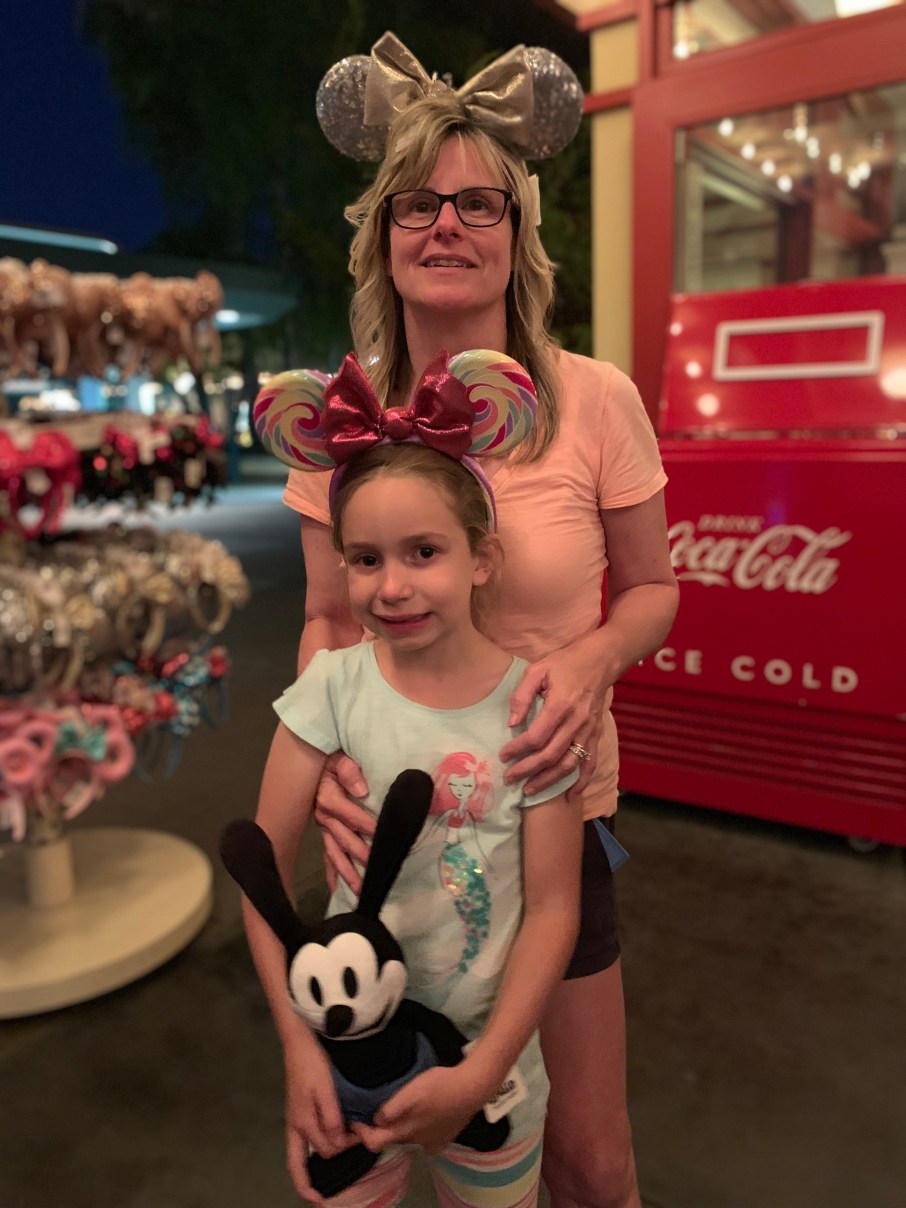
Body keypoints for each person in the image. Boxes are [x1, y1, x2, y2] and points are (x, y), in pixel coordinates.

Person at [285, 35, 680, 1208]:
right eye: (417, 202)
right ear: (382, 235)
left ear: (518, 231)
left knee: (591, 1159)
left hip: (557, 813)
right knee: (387, 1134)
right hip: (395, 832)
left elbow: (653, 590)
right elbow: (324, 618)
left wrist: (596, 656)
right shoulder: (343, 419)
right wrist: (323, 767)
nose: (446, 224)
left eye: (477, 202)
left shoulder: (595, 399)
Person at [246, 355, 584, 1206]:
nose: (392, 586)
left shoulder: (536, 711)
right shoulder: (329, 690)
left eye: (423, 552)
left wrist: (482, 1072)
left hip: (490, 1074)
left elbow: (555, 908)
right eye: (365, 559)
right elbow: (262, 876)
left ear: (482, 557)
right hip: (343, 1068)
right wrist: (297, 1049)